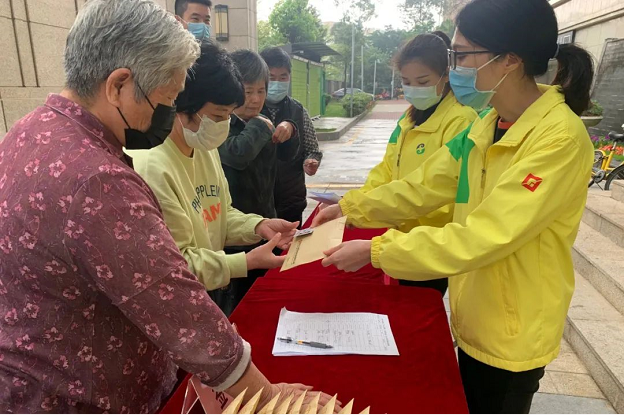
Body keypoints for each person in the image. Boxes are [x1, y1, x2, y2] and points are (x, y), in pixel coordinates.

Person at [0, 1, 330, 412]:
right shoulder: (96, 180)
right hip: (79, 396)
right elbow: (176, 304)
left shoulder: (31, 128)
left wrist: (255, 226)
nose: (171, 115)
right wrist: (270, 397)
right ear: (119, 85)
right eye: (169, 99)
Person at [313, 0, 595, 412]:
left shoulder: (559, 140)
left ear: (510, 60)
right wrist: (351, 208)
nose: (455, 68)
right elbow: (425, 185)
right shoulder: (487, 123)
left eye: (462, 55)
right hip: (476, 310)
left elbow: (485, 235)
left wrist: (377, 251)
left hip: (513, 327)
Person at [129, 41, 298, 316]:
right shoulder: (151, 167)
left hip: (212, 289)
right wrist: (245, 262)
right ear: (179, 106)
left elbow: (220, 214)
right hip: (177, 303)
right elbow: (176, 263)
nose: (223, 125)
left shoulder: (202, 147)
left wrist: (259, 225)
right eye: (218, 116)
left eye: (229, 115)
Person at [351, 31, 476, 296]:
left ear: (445, 75)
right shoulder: (408, 120)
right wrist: (358, 203)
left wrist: (376, 210)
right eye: (406, 82)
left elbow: (438, 187)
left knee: (421, 300)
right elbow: (386, 170)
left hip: (430, 240)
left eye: (423, 81)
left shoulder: (461, 121)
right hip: (399, 232)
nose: (414, 89)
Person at [218, 50, 300, 308]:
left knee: (265, 296)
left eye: (261, 91)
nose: (255, 99)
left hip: (266, 223)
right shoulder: (219, 124)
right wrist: (260, 125)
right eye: (248, 91)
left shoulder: (263, 121)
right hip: (233, 235)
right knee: (237, 302)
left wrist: (290, 131)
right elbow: (237, 155)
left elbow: (287, 156)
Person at [260, 47, 323, 225]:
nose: (277, 83)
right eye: (271, 77)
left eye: (283, 77)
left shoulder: (298, 110)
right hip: (257, 206)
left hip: (291, 202)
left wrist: (310, 162)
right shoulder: (248, 110)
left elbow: (312, 150)